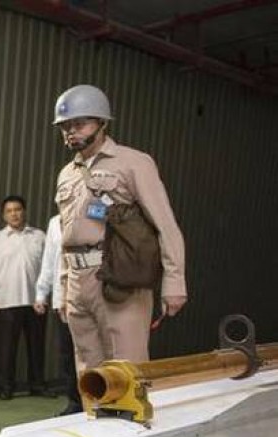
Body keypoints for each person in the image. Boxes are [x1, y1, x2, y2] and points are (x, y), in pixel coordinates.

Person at [52, 84, 187, 372]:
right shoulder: (67, 173)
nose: (71, 131)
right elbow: (66, 236)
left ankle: (131, 419)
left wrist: (175, 282)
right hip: (78, 282)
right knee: (88, 372)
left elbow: (166, 224)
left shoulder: (133, 162)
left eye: (79, 123)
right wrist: (64, 289)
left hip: (118, 274)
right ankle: (95, 418)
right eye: (65, 126)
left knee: (127, 370)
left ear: (102, 123)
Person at [0, 195, 49, 400]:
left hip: (35, 301)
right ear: (4, 215)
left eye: (18, 209)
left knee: (36, 346)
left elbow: (48, 267)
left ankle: (37, 385)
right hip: (7, 301)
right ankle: (6, 387)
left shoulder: (39, 236)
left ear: (24, 211)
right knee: (7, 349)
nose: (14, 214)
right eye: (10, 211)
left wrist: (45, 296)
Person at [34, 214, 82, 415]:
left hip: (89, 295)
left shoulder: (93, 213)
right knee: (68, 354)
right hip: (62, 299)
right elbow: (49, 260)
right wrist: (41, 293)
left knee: (91, 352)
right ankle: (75, 401)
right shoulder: (54, 222)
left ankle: (99, 398)